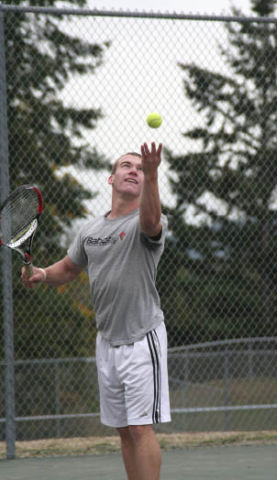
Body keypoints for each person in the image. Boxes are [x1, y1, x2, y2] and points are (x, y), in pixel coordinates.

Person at [22, 142, 171, 480]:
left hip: (142, 336)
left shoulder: (146, 221)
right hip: (106, 343)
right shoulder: (90, 231)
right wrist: (42, 274)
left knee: (139, 427)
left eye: (138, 167)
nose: (133, 169)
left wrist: (153, 174)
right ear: (111, 178)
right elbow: (69, 268)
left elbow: (150, 221)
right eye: (126, 165)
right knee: (122, 430)